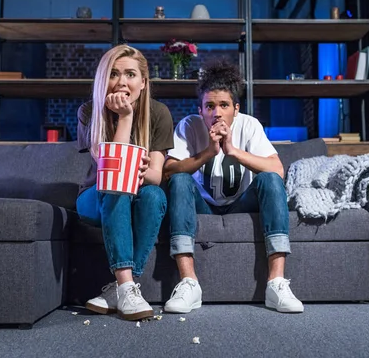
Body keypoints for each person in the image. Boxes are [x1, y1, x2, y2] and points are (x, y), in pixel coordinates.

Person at [162, 59, 304, 314]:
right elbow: (169, 171)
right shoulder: (189, 125)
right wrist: (209, 152)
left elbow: (277, 169)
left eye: (224, 105)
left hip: (240, 204)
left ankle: (276, 282)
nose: (217, 113)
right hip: (203, 206)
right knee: (180, 179)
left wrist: (232, 151)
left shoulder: (249, 125)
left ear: (236, 109)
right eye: (210, 106)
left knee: (270, 179)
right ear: (200, 109)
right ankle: (188, 283)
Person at [76, 44, 174, 321]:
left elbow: (155, 175)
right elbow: (112, 171)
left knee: (155, 196)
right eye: (114, 74)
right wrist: (126, 116)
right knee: (116, 188)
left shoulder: (159, 113)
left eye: (130, 74)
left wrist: (140, 172)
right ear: (103, 80)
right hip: (95, 197)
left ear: (143, 82)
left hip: (138, 194)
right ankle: (127, 286)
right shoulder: (89, 111)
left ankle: (120, 288)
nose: (121, 81)